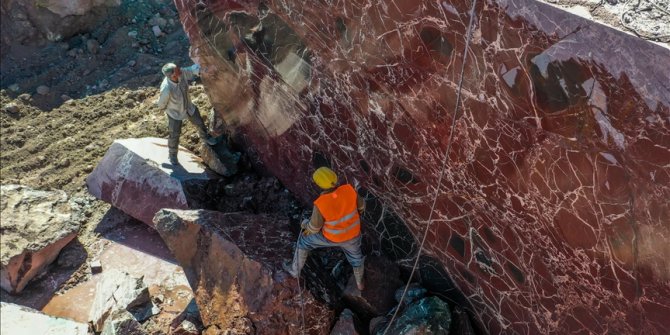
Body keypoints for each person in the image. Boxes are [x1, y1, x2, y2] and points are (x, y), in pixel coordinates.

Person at [284, 167, 367, 290]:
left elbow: (315, 227)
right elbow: (362, 206)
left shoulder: (321, 203)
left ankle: (295, 271)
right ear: (335, 177)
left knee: (303, 241)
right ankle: (360, 283)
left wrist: (305, 225)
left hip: (331, 237)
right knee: (356, 258)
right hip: (353, 234)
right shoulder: (349, 190)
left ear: (319, 184)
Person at [156, 62, 216, 165]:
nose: (180, 69)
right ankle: (172, 156)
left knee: (199, 122)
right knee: (174, 135)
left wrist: (203, 69)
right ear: (173, 75)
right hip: (175, 113)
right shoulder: (167, 88)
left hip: (189, 107)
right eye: (177, 69)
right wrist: (169, 110)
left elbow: (192, 70)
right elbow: (161, 104)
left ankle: (205, 138)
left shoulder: (181, 73)